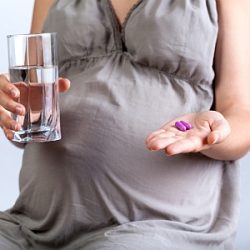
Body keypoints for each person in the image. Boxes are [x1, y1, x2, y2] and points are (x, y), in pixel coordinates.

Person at [0, 0, 250, 249]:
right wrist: (13, 108)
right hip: (31, 224)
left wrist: (211, 133)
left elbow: (241, 114)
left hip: (158, 225)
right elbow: (31, 108)